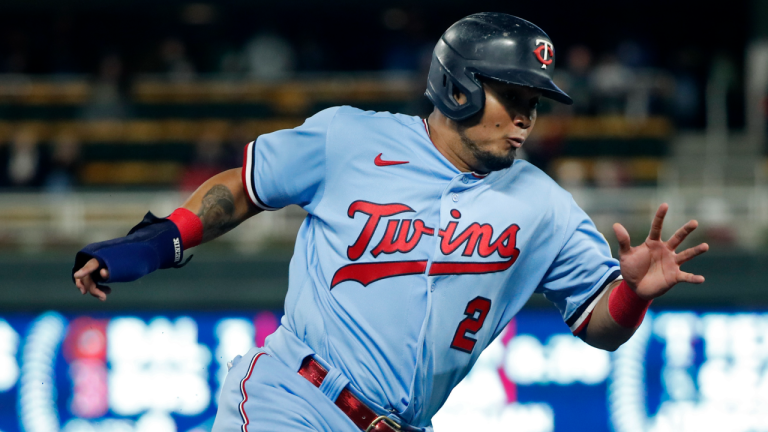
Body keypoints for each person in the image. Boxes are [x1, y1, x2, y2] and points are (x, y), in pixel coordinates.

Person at [72, 13, 709, 432]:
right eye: (513, 96)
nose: (525, 117)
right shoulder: (350, 138)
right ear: (458, 85)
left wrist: (632, 293)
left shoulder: (541, 204)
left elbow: (599, 325)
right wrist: (161, 240)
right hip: (295, 398)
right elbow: (244, 186)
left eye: (534, 102)